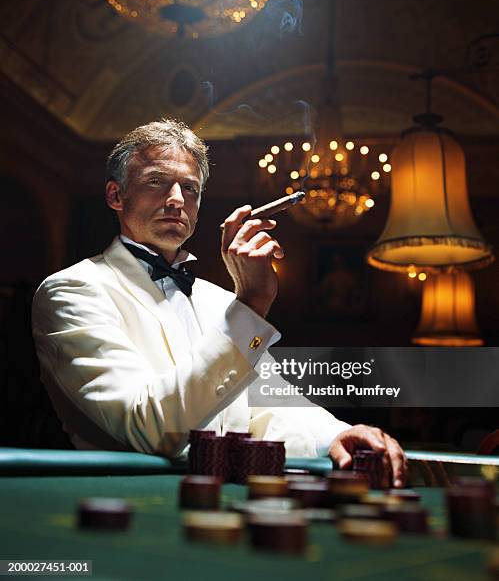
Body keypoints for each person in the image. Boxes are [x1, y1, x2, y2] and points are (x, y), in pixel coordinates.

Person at [32, 119, 407, 487]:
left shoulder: (222, 301)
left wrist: (338, 435)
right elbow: (149, 428)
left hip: (224, 512)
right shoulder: (72, 290)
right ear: (116, 195)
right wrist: (253, 305)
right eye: (156, 182)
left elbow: (270, 409)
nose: (177, 199)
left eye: (190, 189)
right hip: (124, 511)